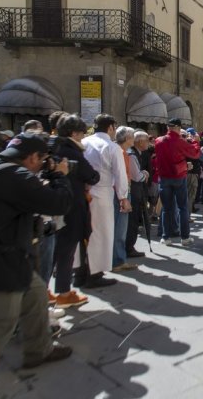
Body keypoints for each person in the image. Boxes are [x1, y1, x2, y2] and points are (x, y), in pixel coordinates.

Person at [0, 133, 74, 396]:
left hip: (7, 257)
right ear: (32, 157)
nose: (42, 164)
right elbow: (59, 203)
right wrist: (60, 176)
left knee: (36, 297)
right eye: (42, 160)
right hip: (1, 262)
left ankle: (39, 350)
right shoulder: (15, 176)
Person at [50, 114, 99, 308]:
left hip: (54, 204)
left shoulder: (53, 146)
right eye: (81, 133)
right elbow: (91, 174)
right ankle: (63, 292)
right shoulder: (72, 151)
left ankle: (49, 291)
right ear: (74, 133)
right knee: (66, 250)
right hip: (71, 204)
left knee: (53, 252)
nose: (82, 137)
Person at [81, 114, 130, 288]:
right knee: (101, 234)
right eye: (114, 127)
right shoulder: (112, 147)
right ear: (110, 127)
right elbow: (120, 174)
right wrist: (123, 197)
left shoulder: (85, 142)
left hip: (84, 191)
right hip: (102, 193)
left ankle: (82, 271)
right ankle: (95, 274)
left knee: (86, 233)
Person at [154, 118, 200, 246]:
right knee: (182, 208)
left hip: (164, 178)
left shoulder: (158, 141)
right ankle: (184, 237)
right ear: (178, 128)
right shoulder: (179, 141)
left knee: (166, 209)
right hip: (179, 177)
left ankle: (165, 237)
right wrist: (196, 142)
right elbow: (195, 153)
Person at [112, 126, 136, 272]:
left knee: (119, 228)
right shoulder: (120, 153)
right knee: (120, 229)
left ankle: (117, 259)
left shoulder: (122, 152)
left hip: (121, 191)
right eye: (132, 136)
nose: (134, 139)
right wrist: (124, 198)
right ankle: (118, 260)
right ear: (127, 139)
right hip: (121, 192)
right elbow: (121, 176)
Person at [126, 130, 150, 258]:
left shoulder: (137, 154)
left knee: (134, 220)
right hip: (134, 192)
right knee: (132, 220)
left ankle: (129, 246)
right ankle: (129, 247)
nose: (148, 143)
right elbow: (137, 176)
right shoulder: (132, 155)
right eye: (146, 140)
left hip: (136, 191)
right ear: (140, 142)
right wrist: (144, 174)